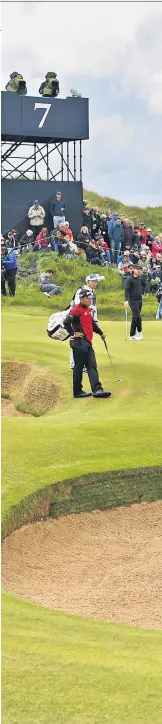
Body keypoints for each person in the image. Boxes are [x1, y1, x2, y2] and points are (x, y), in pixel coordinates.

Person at [64, 288, 111, 399]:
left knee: (92, 365)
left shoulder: (88, 310)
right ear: (82, 298)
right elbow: (66, 322)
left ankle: (97, 390)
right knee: (79, 367)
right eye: (88, 298)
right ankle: (77, 391)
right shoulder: (76, 309)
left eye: (91, 298)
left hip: (87, 342)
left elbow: (92, 324)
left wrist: (101, 333)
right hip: (78, 343)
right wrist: (73, 333)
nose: (90, 300)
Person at [124, 266, 143, 340]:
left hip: (139, 300)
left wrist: (144, 292)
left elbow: (145, 285)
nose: (138, 271)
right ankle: (140, 332)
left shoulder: (140, 278)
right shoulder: (129, 279)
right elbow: (126, 290)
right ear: (133, 270)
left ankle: (132, 335)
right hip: (132, 301)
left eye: (139, 269)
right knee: (137, 317)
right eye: (137, 269)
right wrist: (126, 300)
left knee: (134, 317)